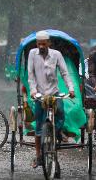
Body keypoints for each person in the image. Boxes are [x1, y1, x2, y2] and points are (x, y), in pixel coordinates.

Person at [27, 30, 75, 168]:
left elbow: (65, 73)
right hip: (39, 95)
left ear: (48, 43)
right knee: (38, 127)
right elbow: (31, 75)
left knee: (60, 112)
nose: (41, 46)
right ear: (37, 44)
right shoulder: (32, 54)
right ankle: (38, 156)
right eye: (39, 43)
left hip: (54, 93)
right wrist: (33, 91)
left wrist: (71, 89)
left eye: (44, 43)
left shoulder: (56, 55)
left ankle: (57, 132)